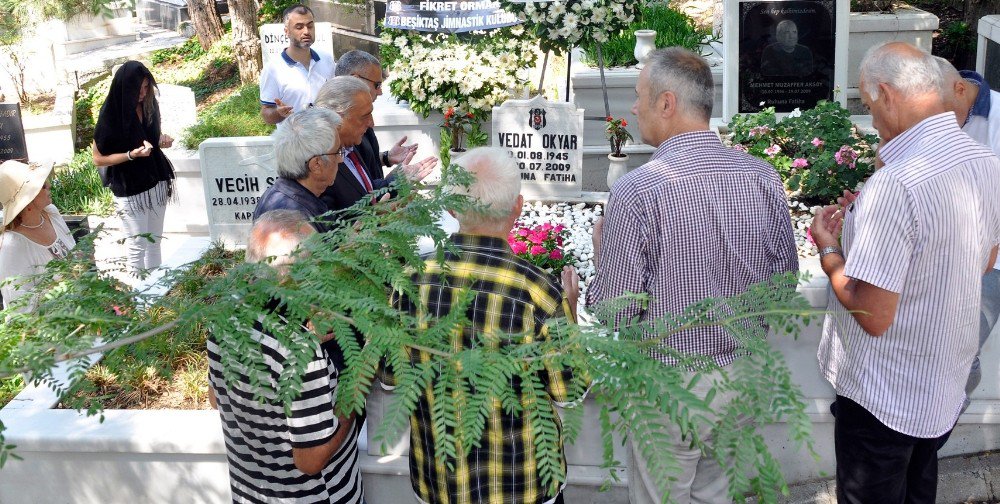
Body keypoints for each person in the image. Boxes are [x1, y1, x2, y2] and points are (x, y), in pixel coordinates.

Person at [586, 47, 798, 504]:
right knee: (721, 494)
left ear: (666, 103)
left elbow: (616, 313)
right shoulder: (761, 177)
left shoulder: (638, 191)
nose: (633, 107)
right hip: (744, 370)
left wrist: (602, 255)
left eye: (639, 96)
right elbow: (784, 286)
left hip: (668, 383)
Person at [811, 42, 1000, 503]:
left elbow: (872, 315)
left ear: (887, 94)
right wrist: (875, 229)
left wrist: (831, 249)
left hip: (885, 399)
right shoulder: (984, 162)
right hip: (941, 385)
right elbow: (985, 257)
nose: (870, 117)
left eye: (869, 103)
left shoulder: (895, 184)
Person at [387, 146, 582, 504]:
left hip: (440, 481)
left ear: (449, 208)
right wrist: (569, 311)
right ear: (518, 207)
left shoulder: (409, 279)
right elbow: (568, 390)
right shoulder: (539, 291)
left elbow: (390, 373)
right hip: (521, 482)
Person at [207, 209, 364, 504]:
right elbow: (311, 460)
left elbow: (218, 399)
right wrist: (350, 400)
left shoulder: (224, 322)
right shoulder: (301, 354)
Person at [938, 58, 1000, 412]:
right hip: (941, 245)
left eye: (943, 109)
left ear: (961, 89)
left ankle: (942, 421)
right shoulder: (936, 109)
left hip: (991, 256)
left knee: (962, 343)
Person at [92, 60, 174, 276]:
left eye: (146, 87)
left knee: (155, 241)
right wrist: (131, 155)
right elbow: (98, 159)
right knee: (137, 246)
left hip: (155, 177)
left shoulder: (149, 105)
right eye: (138, 88)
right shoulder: (111, 113)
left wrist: (161, 139)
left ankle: (157, 295)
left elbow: (152, 137)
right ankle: (138, 301)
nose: (142, 92)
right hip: (129, 187)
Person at [313, 76, 435, 212]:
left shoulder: (350, 144)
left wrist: (396, 180)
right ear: (337, 117)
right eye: (365, 116)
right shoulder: (319, 163)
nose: (371, 123)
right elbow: (328, 227)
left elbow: (363, 190)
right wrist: (376, 220)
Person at [252, 107, 343, 233]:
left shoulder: (289, 195)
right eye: (338, 152)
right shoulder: (291, 219)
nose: (341, 159)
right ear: (316, 164)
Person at [0, 160, 76, 312]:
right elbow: (19, 306)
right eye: (42, 185)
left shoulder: (51, 213)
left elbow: (75, 255)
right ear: (27, 200)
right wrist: (59, 286)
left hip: (80, 312)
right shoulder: (13, 245)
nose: (49, 185)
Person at [335, 50, 418, 172]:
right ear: (355, 80)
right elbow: (354, 185)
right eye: (377, 85)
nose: (380, 92)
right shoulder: (337, 129)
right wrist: (395, 181)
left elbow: (364, 165)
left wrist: (386, 158)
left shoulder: (357, 118)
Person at [259, 4, 336, 125]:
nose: (306, 31)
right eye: (299, 27)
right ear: (287, 31)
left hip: (327, 138)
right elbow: (266, 114)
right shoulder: (273, 69)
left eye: (310, 26)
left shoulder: (326, 60)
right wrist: (278, 113)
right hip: (295, 140)